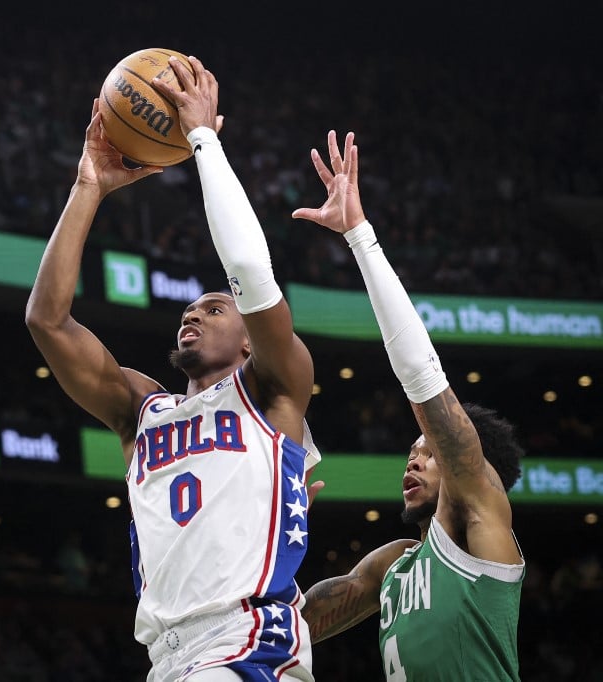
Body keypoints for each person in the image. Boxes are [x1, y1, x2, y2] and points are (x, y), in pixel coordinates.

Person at [26, 56, 320, 681]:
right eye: (188, 310)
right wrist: (88, 187)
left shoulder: (274, 390)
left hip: (246, 638)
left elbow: (250, 272)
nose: (194, 316)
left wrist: (202, 140)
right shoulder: (143, 410)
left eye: (215, 308)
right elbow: (47, 322)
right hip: (168, 655)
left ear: (250, 340)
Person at [293, 131, 525, 681]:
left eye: (428, 453)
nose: (412, 462)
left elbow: (423, 381)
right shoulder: (395, 564)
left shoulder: (482, 515)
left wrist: (359, 238)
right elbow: (298, 623)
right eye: (411, 452)